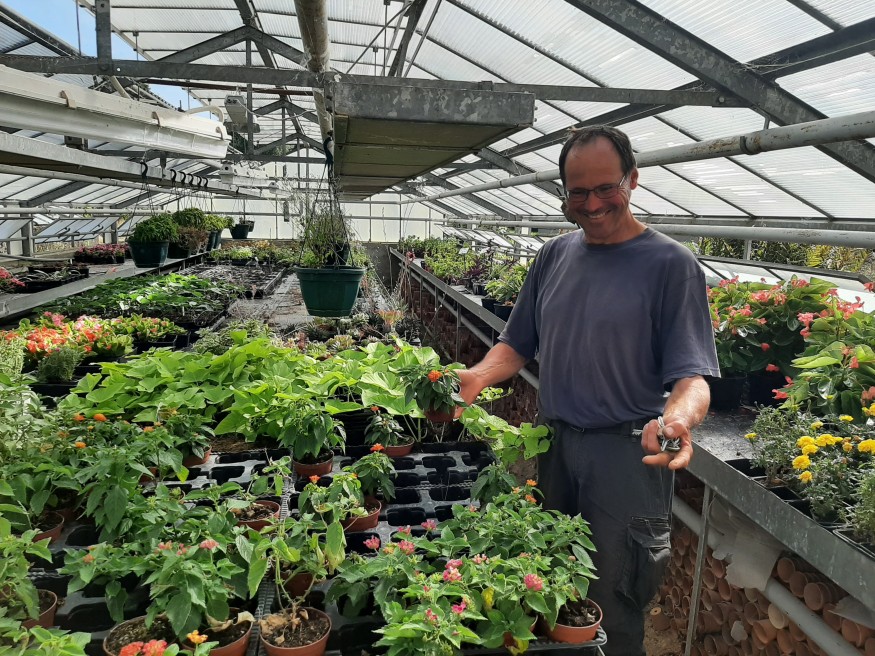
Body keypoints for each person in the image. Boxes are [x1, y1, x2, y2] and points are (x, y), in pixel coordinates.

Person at [456, 125, 719, 656]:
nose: (593, 204)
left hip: (626, 454)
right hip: (555, 444)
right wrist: (478, 376)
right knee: (548, 584)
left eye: (606, 188)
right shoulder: (554, 255)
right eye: (578, 192)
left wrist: (679, 419)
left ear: (633, 180)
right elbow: (516, 344)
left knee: (613, 600)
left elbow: (692, 375)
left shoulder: (671, 265)